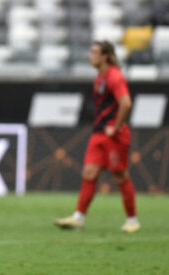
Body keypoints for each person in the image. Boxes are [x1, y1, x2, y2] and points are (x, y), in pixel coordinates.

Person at [54, 40, 140, 233]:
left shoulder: (114, 77)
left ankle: (132, 220)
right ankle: (78, 217)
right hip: (99, 133)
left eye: (94, 52)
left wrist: (116, 127)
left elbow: (126, 103)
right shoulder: (100, 78)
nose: (89, 56)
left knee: (120, 175)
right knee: (89, 173)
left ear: (105, 56)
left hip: (113, 134)